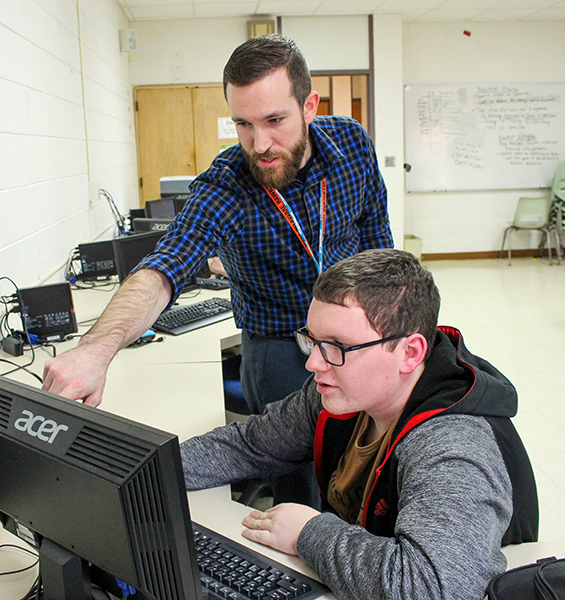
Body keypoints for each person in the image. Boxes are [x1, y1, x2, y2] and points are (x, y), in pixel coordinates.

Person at [42, 35, 391, 506]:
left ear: (309, 106)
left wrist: (388, 336)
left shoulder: (351, 146)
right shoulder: (228, 184)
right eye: (243, 124)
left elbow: (378, 249)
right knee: (301, 486)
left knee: (367, 462)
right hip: (279, 345)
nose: (259, 144)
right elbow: (165, 268)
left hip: (354, 340)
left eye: (274, 121)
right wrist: (93, 352)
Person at [179, 249, 540, 600]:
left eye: (338, 346)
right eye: (313, 341)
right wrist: (151, 469)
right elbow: (250, 444)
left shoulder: (453, 445)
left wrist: (309, 532)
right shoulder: (339, 393)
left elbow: (434, 587)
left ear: (410, 353)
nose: (313, 364)